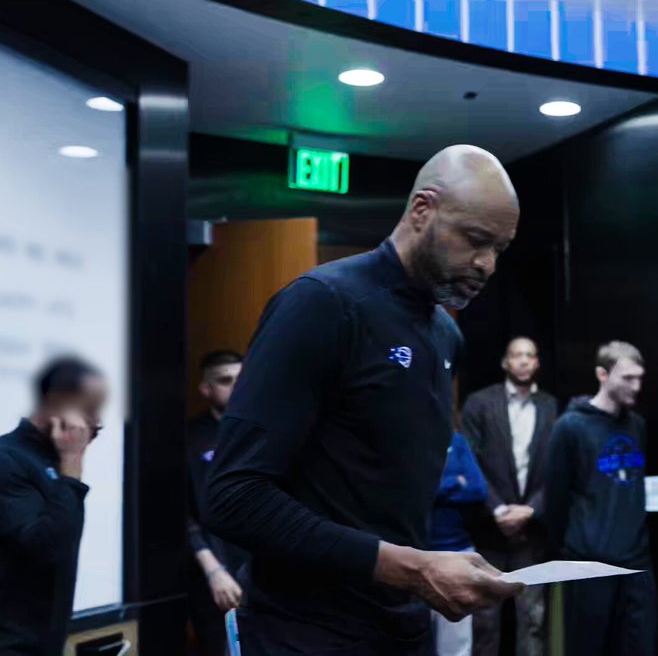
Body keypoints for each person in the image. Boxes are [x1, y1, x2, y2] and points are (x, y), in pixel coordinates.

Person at [204, 145, 524, 655]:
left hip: (402, 626)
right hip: (304, 631)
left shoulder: (447, 336)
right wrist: (412, 567)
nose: (485, 264)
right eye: (475, 240)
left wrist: (430, 569)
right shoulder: (323, 303)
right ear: (423, 210)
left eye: (499, 250)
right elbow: (233, 497)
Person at [0, 356, 108, 656]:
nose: (96, 423)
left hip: (42, 642)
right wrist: (73, 462)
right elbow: (48, 547)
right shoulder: (2, 460)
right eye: (90, 409)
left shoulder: (50, 462)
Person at [545, 341, 656, 656]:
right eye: (628, 378)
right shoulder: (571, 427)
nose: (636, 386)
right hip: (589, 565)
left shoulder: (637, 425)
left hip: (636, 564)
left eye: (639, 378)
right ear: (602, 375)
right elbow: (557, 499)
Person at [461, 337, 558, 656]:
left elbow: (559, 469)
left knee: (534, 619)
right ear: (505, 362)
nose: (524, 361)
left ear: (537, 363)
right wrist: (499, 510)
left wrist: (530, 510)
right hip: (489, 530)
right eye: (517, 355)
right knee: (484, 622)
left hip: (532, 533)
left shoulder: (550, 406)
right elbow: (469, 462)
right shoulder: (479, 403)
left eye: (530, 355)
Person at [185, 350, 248, 656]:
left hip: (264, 568)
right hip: (215, 572)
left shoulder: (264, 432)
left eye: (241, 379)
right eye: (226, 380)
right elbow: (182, 513)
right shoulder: (190, 438)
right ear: (206, 389)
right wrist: (213, 571)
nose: (236, 386)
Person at [429, 431, 490, 656]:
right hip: (411, 552)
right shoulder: (405, 437)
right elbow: (408, 489)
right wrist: (456, 482)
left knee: (457, 649)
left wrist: (439, 487)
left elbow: (478, 489)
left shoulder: (456, 440)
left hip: (459, 551)